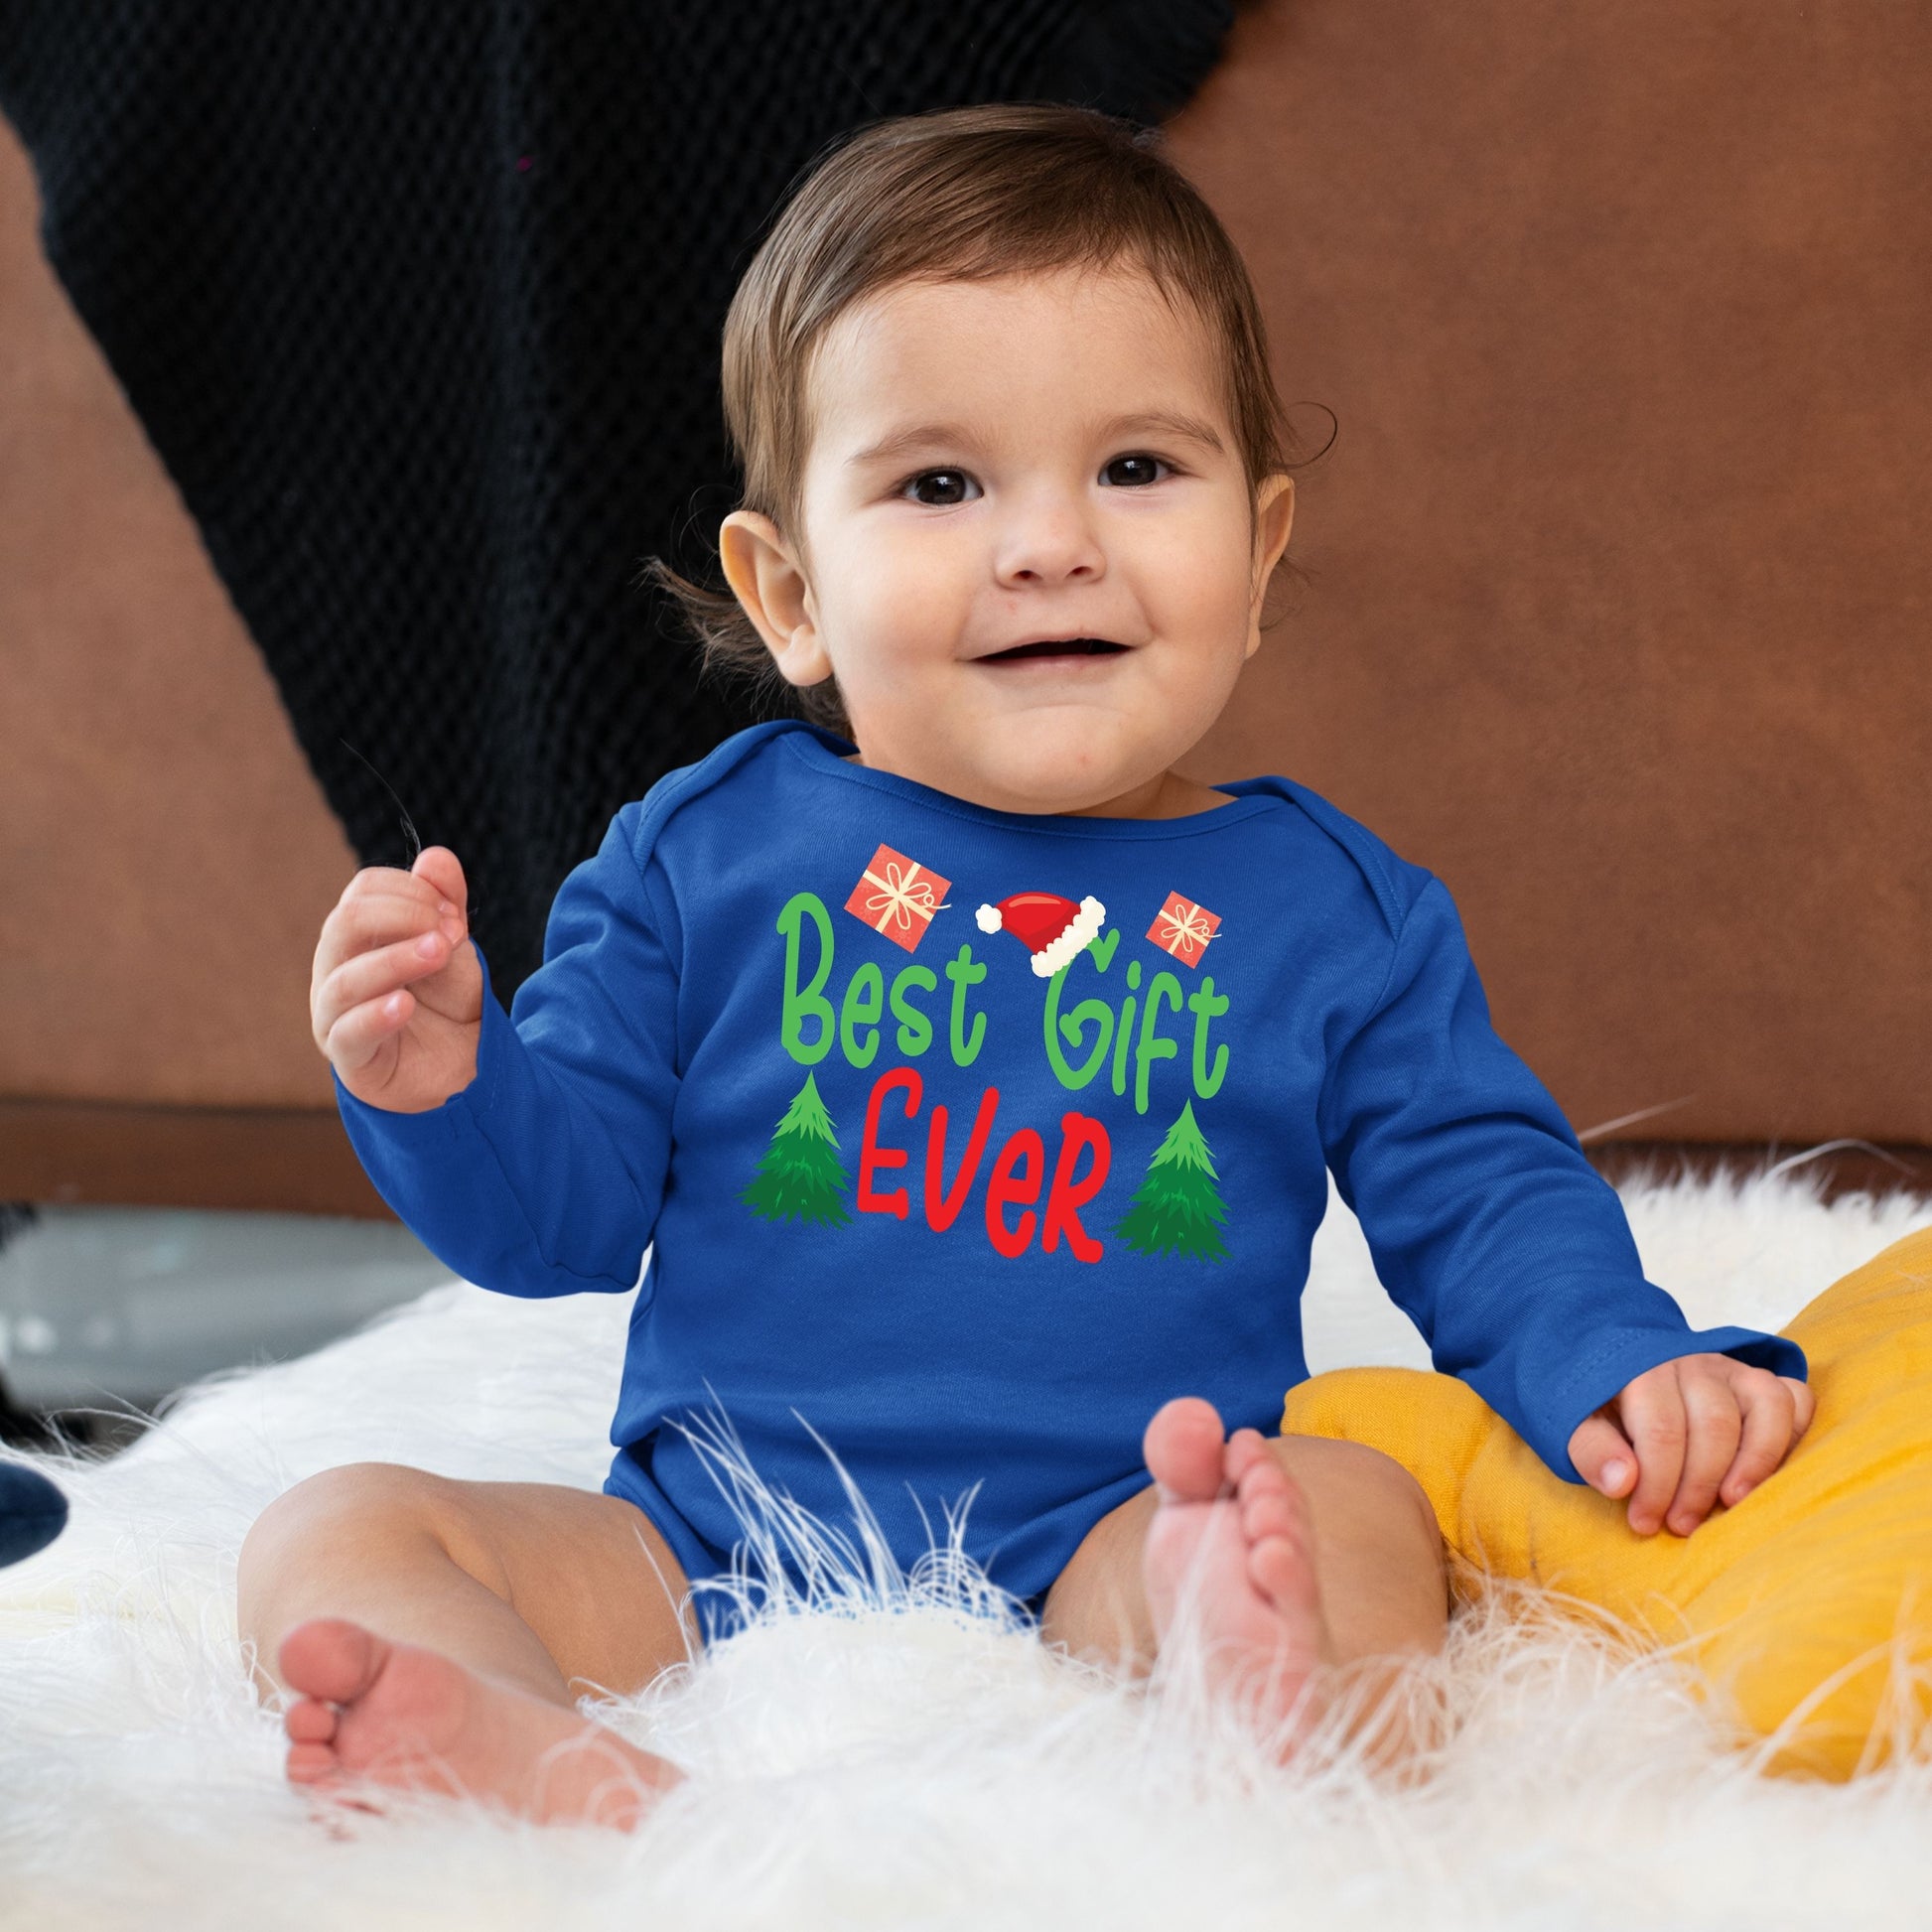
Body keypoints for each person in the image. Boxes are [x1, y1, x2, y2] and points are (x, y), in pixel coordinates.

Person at [240, 102, 1815, 1827]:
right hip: (707, 1540)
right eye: (938, 484)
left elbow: (1481, 1188)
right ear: (789, 596)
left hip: (1122, 1526)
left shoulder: (1324, 909)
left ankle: (1275, 1710)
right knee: (334, 1529)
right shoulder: (705, 855)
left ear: (1258, 553)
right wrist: (449, 1085)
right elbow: (559, 1222)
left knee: (1350, 1507)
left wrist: (1613, 1354)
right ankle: (523, 1749)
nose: (1050, 542)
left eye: (1135, 468)